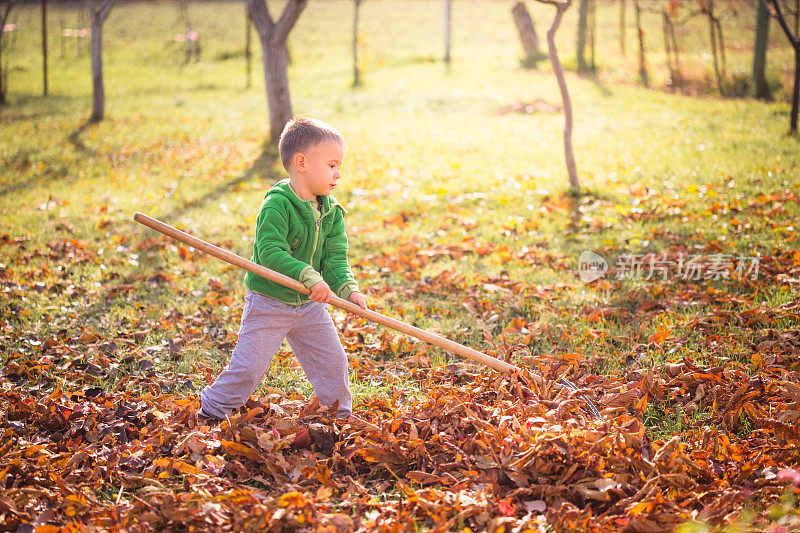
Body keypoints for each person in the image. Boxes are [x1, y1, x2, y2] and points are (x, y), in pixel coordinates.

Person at [199, 117, 367, 422]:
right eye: (332, 165)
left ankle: (338, 419)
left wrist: (348, 290)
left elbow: (335, 260)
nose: (338, 174)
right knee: (248, 370)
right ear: (301, 162)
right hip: (270, 302)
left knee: (333, 365)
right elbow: (270, 253)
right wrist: (307, 275)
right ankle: (211, 411)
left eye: (338, 166)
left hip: (309, 306)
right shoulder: (277, 205)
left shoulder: (331, 212)